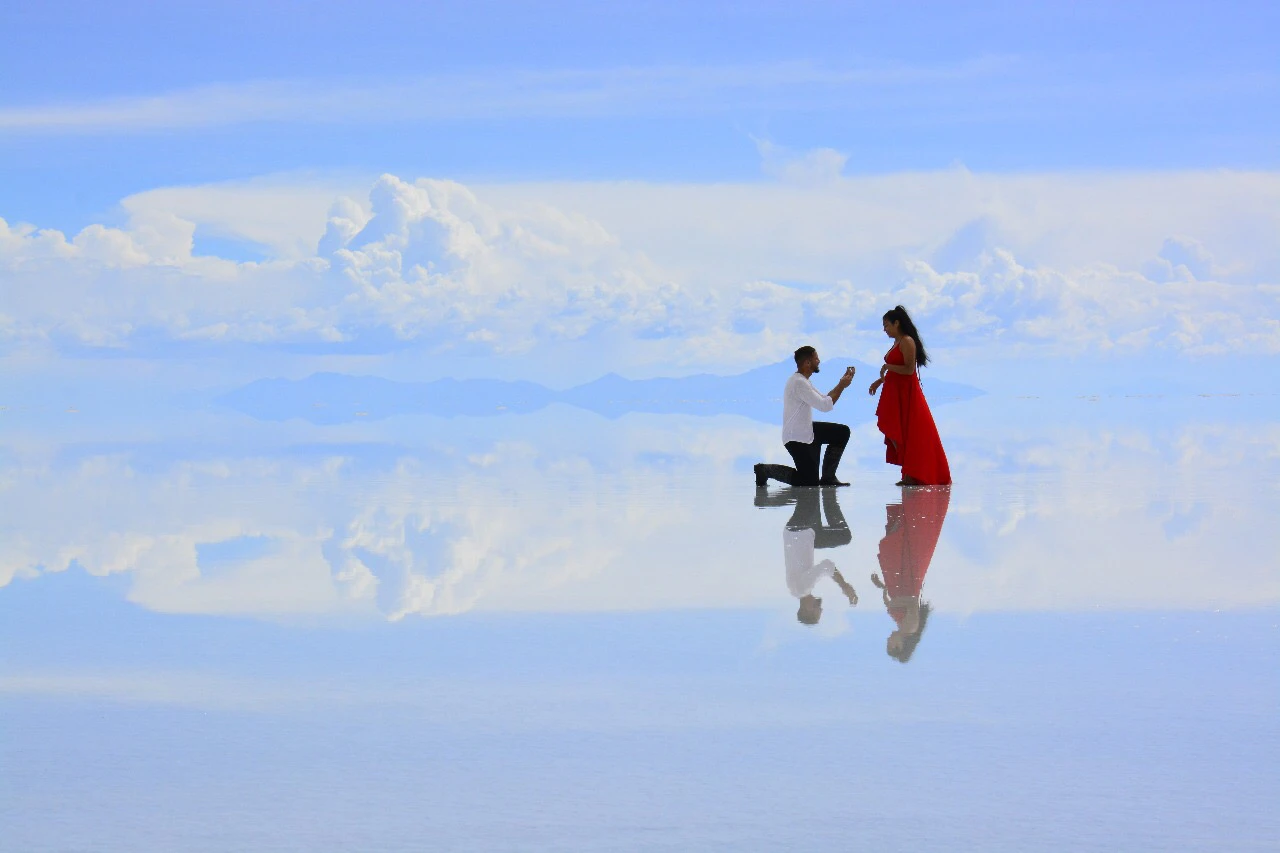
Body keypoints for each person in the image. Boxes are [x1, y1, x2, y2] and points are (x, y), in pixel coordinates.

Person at [868, 306, 951, 486]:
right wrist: (880, 380)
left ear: (897, 323)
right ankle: (908, 472)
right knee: (894, 432)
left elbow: (908, 370)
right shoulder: (897, 342)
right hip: (892, 391)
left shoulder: (907, 341)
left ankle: (912, 473)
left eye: (887, 325)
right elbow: (895, 370)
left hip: (906, 393)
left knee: (907, 432)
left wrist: (888, 368)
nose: (885, 329)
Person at [754, 346, 855, 488]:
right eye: (816, 358)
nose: (819, 361)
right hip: (796, 438)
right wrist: (841, 386)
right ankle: (764, 470)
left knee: (842, 432)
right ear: (807, 362)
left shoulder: (803, 381)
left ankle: (828, 477)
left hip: (807, 431)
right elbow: (824, 406)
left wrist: (841, 384)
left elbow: (825, 399)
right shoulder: (799, 383)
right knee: (808, 481)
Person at [872, 485, 950, 662]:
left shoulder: (902, 626)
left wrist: (884, 588)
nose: (888, 639)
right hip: (907, 578)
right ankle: (913, 500)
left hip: (899, 580)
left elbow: (896, 600)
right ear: (899, 645)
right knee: (902, 536)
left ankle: (910, 500)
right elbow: (911, 601)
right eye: (890, 644)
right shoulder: (910, 627)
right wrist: (889, 597)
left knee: (897, 535)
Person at [758, 486, 858, 625]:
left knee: (811, 493)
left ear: (807, 610)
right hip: (801, 534)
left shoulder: (803, 589)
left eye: (818, 611)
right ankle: (829, 496)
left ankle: (828, 495)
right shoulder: (795, 590)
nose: (821, 608)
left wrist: (844, 586)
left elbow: (827, 566)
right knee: (842, 536)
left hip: (801, 529)